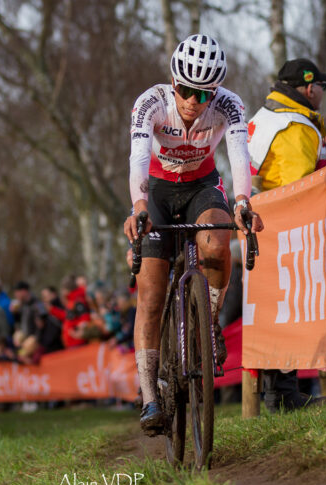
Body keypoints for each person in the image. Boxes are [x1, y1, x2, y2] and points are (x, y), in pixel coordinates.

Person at [124, 34, 262, 434]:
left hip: (203, 186)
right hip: (158, 190)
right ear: (173, 80)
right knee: (150, 292)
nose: (191, 101)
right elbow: (136, 158)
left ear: (214, 92)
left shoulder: (229, 105)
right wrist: (139, 207)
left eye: (202, 94)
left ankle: (207, 322)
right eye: (184, 89)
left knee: (218, 243)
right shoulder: (150, 102)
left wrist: (241, 202)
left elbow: (238, 156)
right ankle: (150, 396)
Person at [248, 58, 326, 413]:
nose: (323, 95)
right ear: (309, 87)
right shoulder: (296, 125)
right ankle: (282, 394)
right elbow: (303, 187)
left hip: (260, 223)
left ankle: (274, 393)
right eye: (322, 88)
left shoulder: (266, 115)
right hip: (285, 227)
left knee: (272, 309)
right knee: (290, 307)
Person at [248, 57, 326, 191]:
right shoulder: (297, 128)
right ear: (310, 89)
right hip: (278, 210)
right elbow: (300, 193)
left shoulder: (262, 116)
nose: (323, 91)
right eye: (323, 86)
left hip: (255, 207)